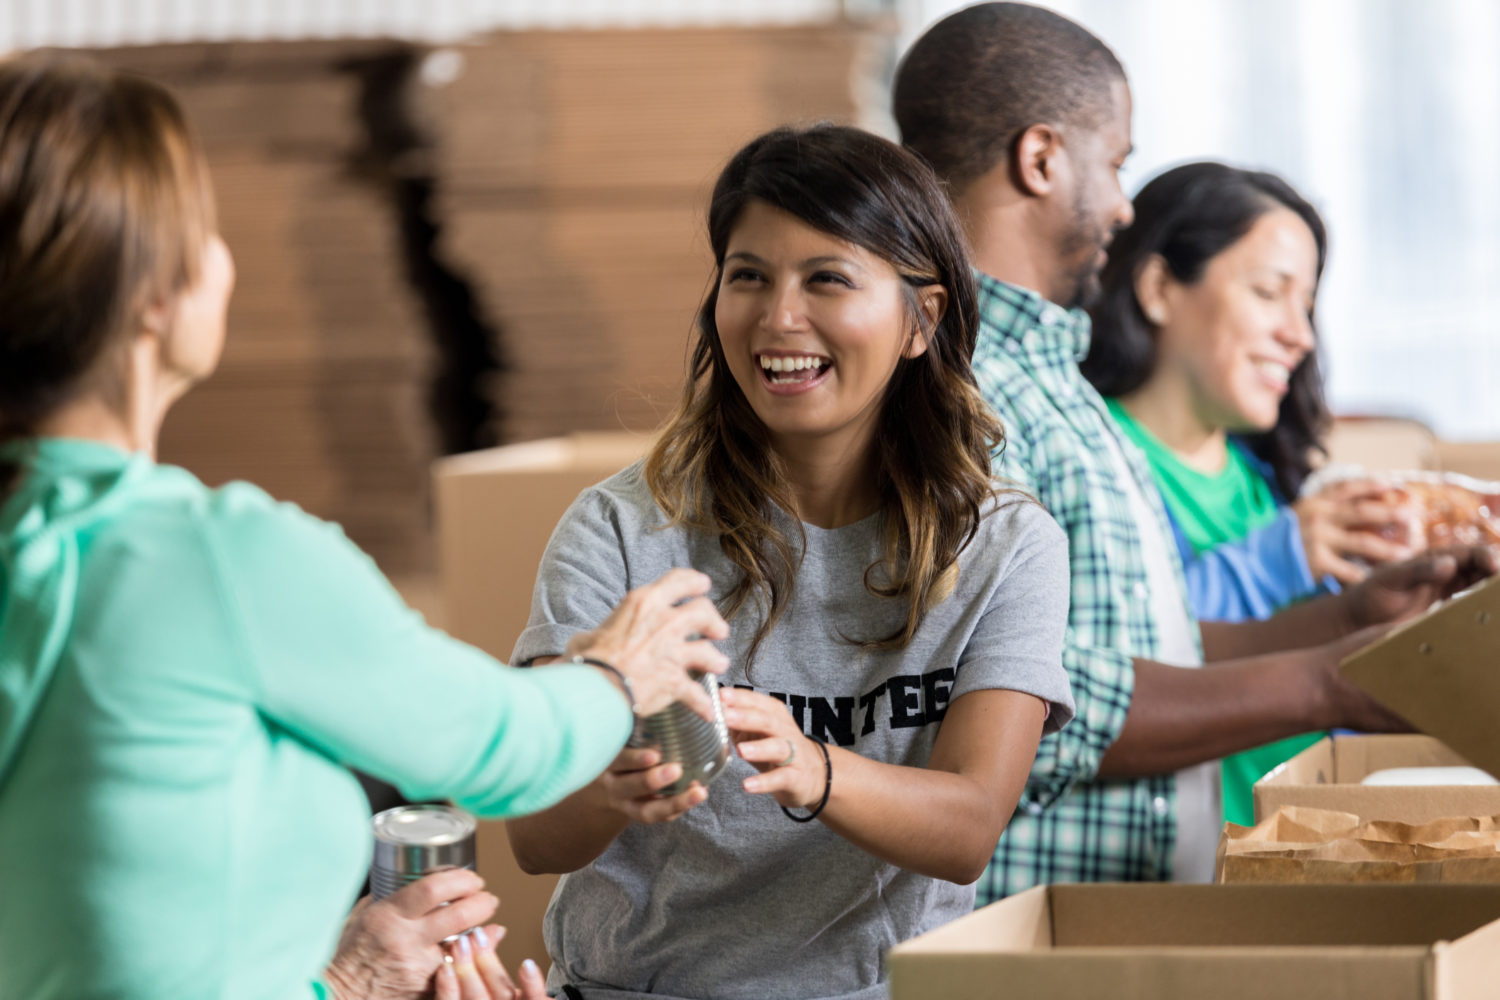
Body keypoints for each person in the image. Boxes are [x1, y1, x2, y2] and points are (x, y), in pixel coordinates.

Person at [0, 54, 730, 1000]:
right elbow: (501, 753)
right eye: (206, 229)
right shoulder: (218, 558)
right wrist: (617, 673)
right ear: (155, 294)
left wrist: (340, 985)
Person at [893, 1, 1496, 899]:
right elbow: (1027, 704)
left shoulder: (1053, 383)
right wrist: (1326, 683)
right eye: (1118, 163)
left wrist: (1347, 623)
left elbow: (1139, 648)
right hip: (1028, 931)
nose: (1126, 203)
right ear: (1043, 158)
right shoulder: (965, 388)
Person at [505, 124, 1074, 1000]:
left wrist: (814, 766)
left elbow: (969, 823)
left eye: (827, 279)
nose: (778, 319)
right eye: (749, 278)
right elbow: (537, 840)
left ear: (923, 318)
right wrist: (615, 780)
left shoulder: (1003, 545)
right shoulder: (622, 531)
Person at [1079, 161, 1422, 824]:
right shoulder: (1093, 460)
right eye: (1269, 292)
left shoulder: (1267, 485)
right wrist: (1277, 558)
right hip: (1184, 883)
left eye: (1308, 304)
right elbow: (1109, 661)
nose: (1301, 334)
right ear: (1158, 287)